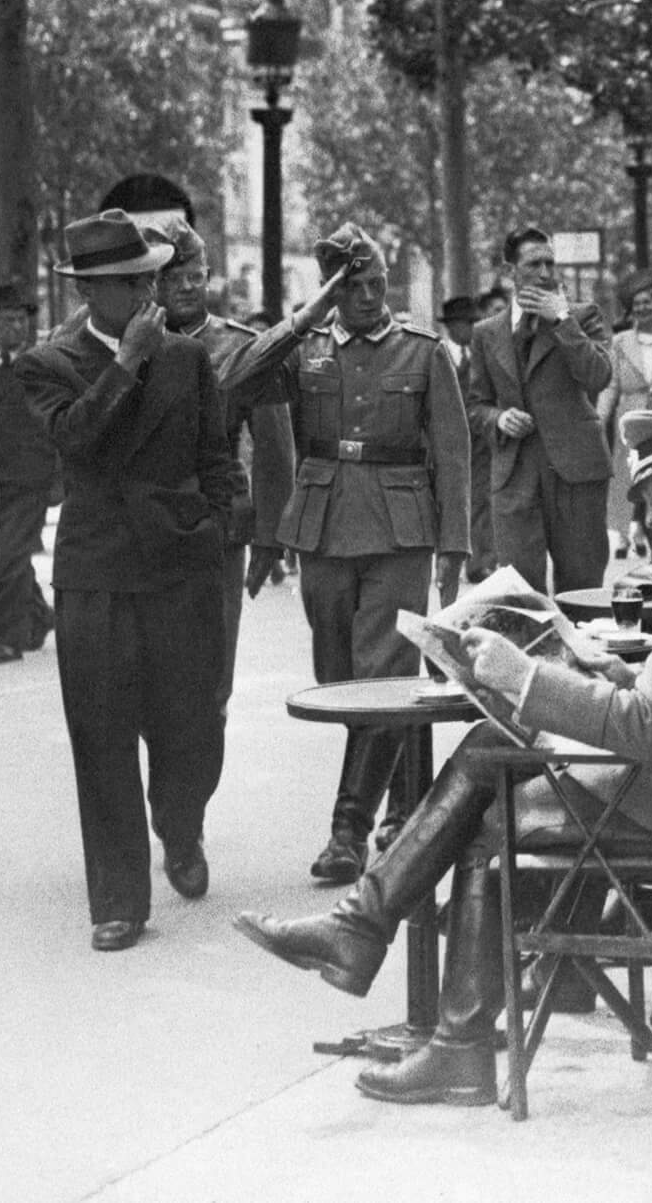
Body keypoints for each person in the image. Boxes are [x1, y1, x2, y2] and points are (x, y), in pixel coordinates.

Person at [232, 409, 652, 1107]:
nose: (650, 516)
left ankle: (447, 1034)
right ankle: (365, 936)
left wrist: (522, 676)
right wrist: (611, 671)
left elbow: (644, 732)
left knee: (494, 814)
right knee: (495, 752)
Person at [16, 211, 238, 951]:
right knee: (102, 736)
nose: (151, 289)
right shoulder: (46, 362)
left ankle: (180, 824)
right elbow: (77, 440)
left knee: (193, 724)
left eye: (150, 275)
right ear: (90, 289)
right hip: (99, 570)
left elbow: (216, 457)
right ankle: (116, 899)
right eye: (133, 280)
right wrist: (126, 364)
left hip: (180, 563)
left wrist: (215, 525)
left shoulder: (188, 358)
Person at [224, 224, 472, 886]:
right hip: (322, 524)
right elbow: (237, 380)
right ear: (331, 289)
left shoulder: (422, 351)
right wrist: (301, 315)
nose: (366, 299)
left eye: (374, 284)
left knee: (383, 674)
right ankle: (406, 801)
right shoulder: (301, 346)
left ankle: (348, 831)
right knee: (344, 681)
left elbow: (450, 449)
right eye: (350, 286)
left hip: (400, 527)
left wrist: (454, 546)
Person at [153, 219, 294, 705]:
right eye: (173, 278)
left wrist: (271, 536)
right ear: (153, 283)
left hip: (219, 527)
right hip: (145, 526)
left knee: (212, 675)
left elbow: (274, 447)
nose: (187, 288)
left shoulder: (241, 347)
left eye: (196, 276)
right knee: (153, 676)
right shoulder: (136, 345)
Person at [464, 226, 613, 593]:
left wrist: (562, 320)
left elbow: (598, 375)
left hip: (576, 471)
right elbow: (473, 404)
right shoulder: (486, 332)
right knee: (518, 590)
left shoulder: (582, 315)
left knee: (582, 587)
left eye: (550, 263)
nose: (546, 273)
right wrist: (499, 418)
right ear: (510, 271)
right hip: (514, 475)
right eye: (534, 264)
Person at [0, 283, 57, 664]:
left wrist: (58, 478)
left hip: (30, 479)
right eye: (7, 320)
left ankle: (7, 639)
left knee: (9, 553)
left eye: (22, 320)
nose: (16, 328)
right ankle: (40, 615)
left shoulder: (42, 364)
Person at [602, 270, 652, 558]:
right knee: (629, 476)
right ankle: (624, 532)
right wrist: (601, 416)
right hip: (630, 416)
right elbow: (611, 383)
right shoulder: (620, 342)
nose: (642, 309)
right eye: (636, 304)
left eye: (647, 302)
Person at [438, 296, 492, 575]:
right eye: (466, 323)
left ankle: (480, 562)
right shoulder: (439, 354)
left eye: (473, 322)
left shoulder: (479, 354)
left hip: (480, 441)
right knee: (452, 500)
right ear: (451, 326)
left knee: (481, 498)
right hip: (447, 441)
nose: (471, 328)